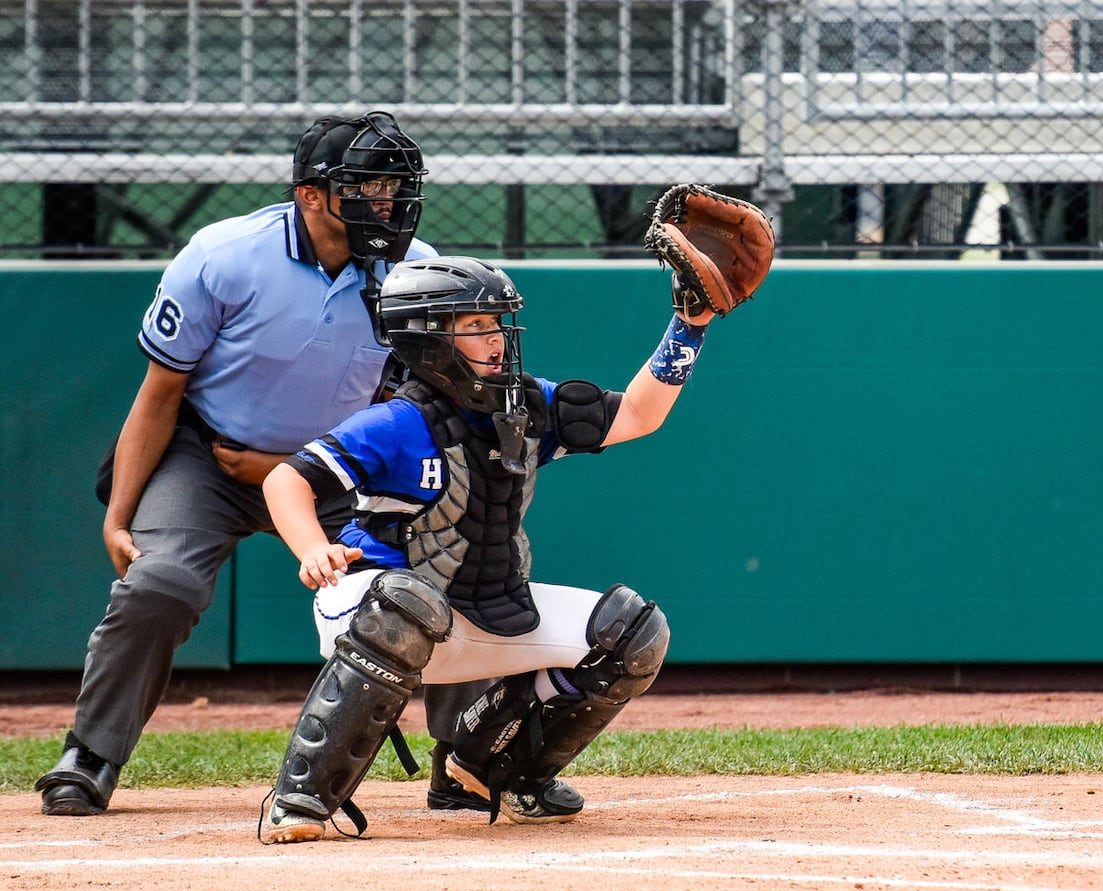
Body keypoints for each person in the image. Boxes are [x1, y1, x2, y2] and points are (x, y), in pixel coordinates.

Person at [35, 111, 440, 817]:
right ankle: (89, 755)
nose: (388, 202)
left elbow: (409, 404)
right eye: (368, 186)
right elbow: (159, 395)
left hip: (335, 466)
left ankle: (472, 762)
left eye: (394, 186)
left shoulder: (414, 266)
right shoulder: (223, 254)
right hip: (210, 457)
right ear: (310, 195)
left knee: (447, 576)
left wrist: (296, 467)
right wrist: (119, 514)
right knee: (158, 586)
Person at [257, 255, 715, 844]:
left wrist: (689, 325)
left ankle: (494, 766)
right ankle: (300, 799)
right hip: (368, 607)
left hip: (478, 606)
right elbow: (286, 480)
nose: (496, 339)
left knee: (632, 635)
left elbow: (637, 414)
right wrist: (311, 547)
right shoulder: (397, 422)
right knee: (407, 605)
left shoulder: (523, 407)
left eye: (497, 323)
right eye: (475, 326)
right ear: (428, 339)